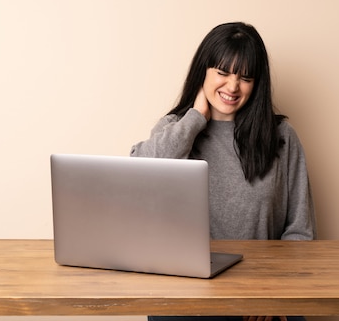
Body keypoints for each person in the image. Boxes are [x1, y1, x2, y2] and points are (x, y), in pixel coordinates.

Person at [130, 22, 317, 321]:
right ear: (203, 71)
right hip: (186, 290)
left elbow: (300, 231)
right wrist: (194, 119)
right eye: (222, 72)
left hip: (261, 293)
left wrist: (274, 291)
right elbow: (136, 177)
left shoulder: (281, 136)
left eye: (245, 77)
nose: (232, 86)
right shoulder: (174, 130)